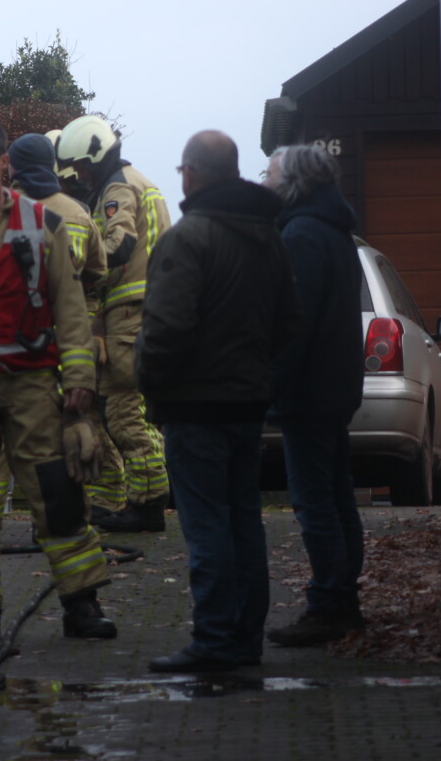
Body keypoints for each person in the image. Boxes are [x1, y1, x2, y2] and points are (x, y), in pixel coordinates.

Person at [0, 119, 115, 643]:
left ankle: (81, 604)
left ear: (4, 165)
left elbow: (69, 303)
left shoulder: (42, 224)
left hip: (32, 383)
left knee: (56, 491)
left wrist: (80, 374)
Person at [137, 131, 300, 672]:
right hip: (246, 404)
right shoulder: (269, 238)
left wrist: (149, 379)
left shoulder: (189, 239)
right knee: (244, 522)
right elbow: (287, 324)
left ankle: (212, 641)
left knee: (206, 527)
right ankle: (245, 640)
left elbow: (166, 328)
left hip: (193, 407)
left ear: (191, 173)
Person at [262, 144, 366, 647]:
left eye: (271, 174)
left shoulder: (301, 234)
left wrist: (268, 389)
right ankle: (342, 598)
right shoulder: (333, 230)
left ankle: (330, 605)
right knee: (337, 497)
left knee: (315, 502)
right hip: (335, 387)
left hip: (310, 392)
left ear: (295, 182)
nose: (265, 181)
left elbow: (292, 327)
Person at [56, 115, 173, 532]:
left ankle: (148, 504)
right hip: (144, 311)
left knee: (124, 414)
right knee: (130, 412)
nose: (81, 176)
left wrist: (83, 265)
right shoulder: (140, 180)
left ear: (96, 153)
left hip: (128, 315)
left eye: (83, 166)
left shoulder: (117, 187)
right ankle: (145, 499)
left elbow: (120, 244)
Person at [42, 128, 124, 521]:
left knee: (72, 413)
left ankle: (97, 495)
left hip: (54, 328)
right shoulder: (80, 212)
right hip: (82, 322)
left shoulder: (21, 211)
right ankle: (104, 493)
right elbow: (98, 268)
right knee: (84, 411)